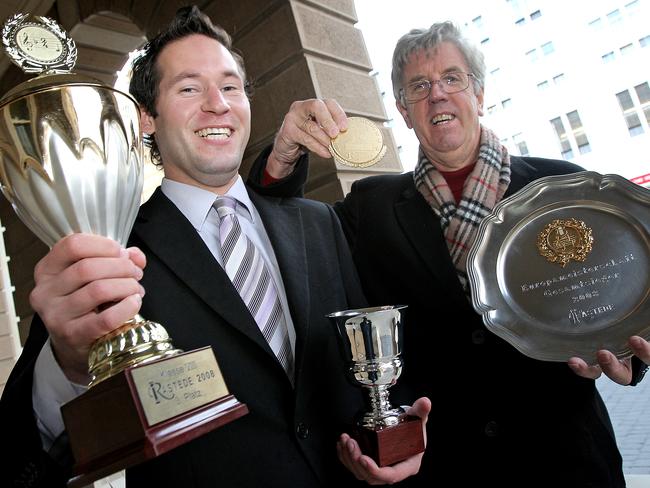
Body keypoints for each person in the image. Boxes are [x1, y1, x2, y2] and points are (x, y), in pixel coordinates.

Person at [0, 6, 430, 487]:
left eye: (230, 87)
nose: (217, 104)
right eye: (189, 88)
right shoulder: (110, 250)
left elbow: (363, 360)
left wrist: (394, 437)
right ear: (146, 118)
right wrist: (68, 363)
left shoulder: (317, 223)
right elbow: (29, 445)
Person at [248, 21, 650, 487]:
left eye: (452, 78)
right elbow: (287, 227)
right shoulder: (369, 207)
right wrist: (283, 157)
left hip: (566, 458)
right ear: (402, 110)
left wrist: (632, 358)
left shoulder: (560, 186)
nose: (437, 94)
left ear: (478, 95)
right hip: (445, 464)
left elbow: (614, 297)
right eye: (419, 86)